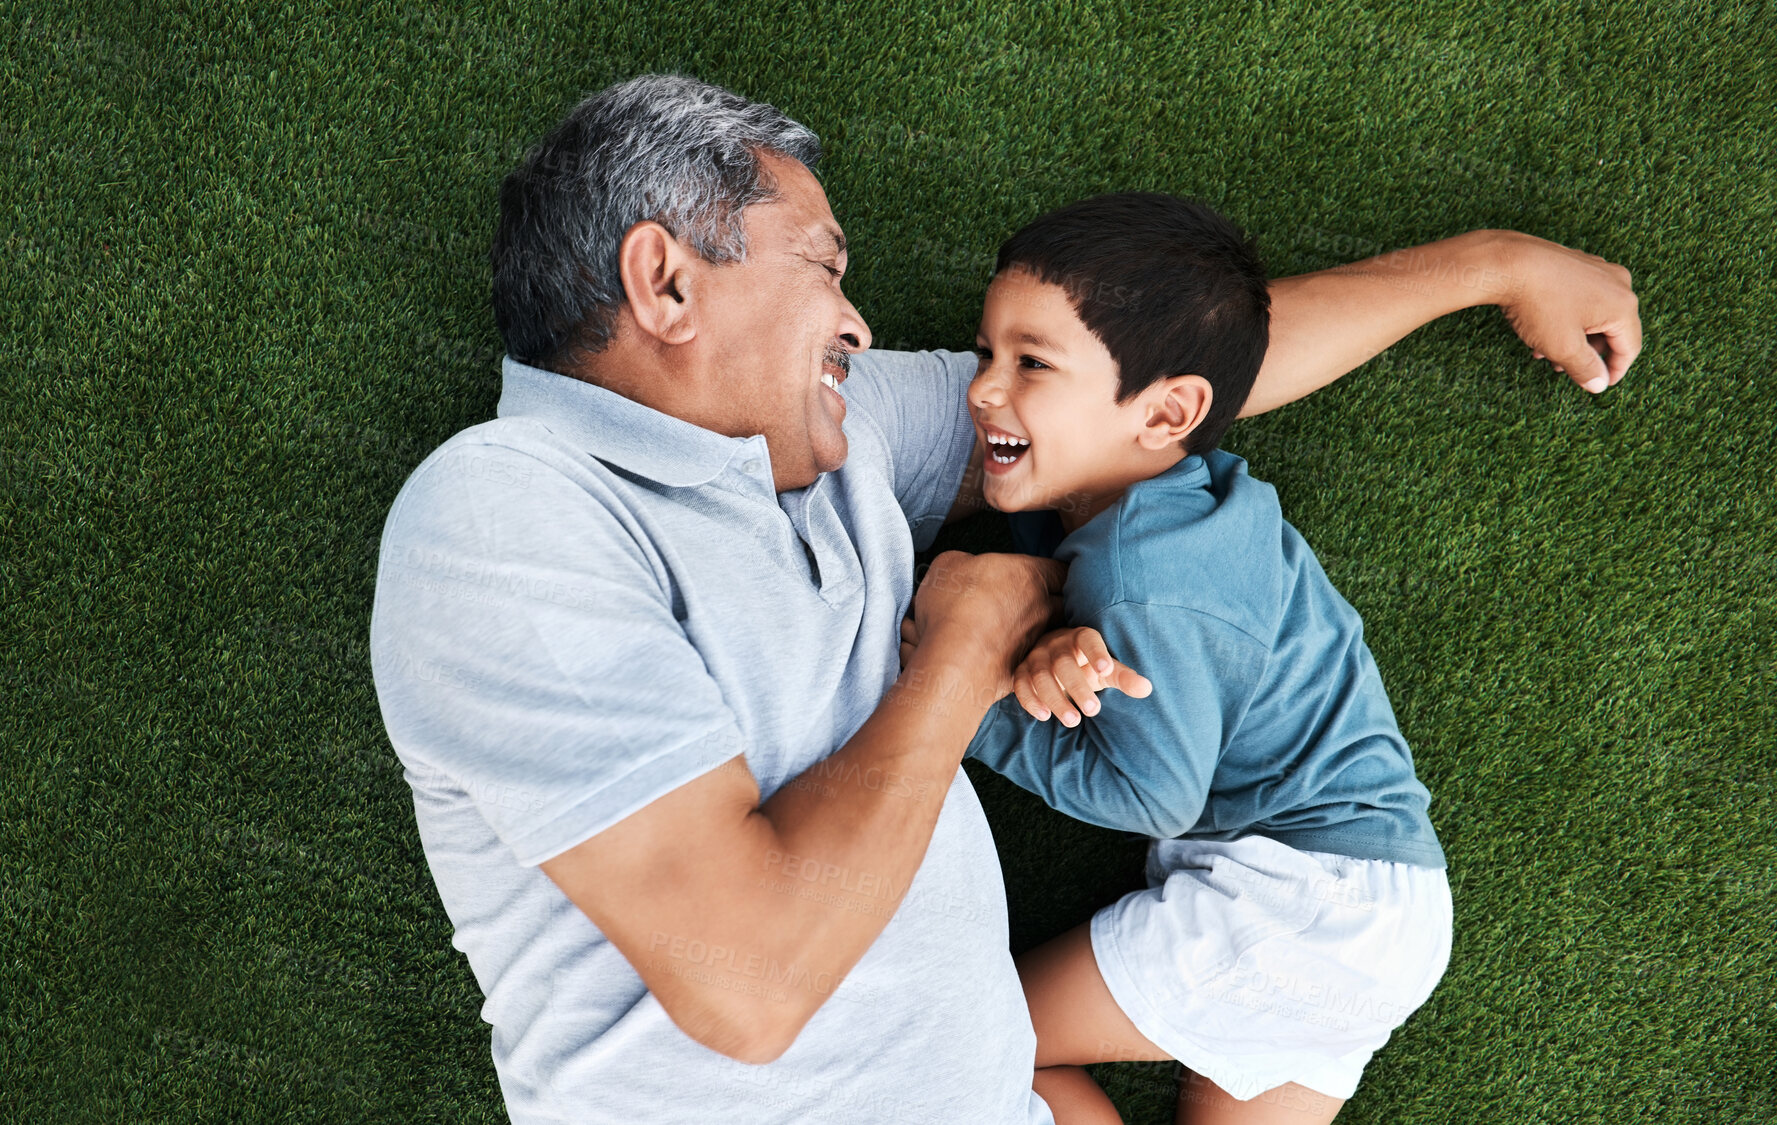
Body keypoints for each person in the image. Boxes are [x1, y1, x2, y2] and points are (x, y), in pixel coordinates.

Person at [368, 74, 1641, 1125]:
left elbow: (1136, 390)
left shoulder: (835, 433)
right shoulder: (509, 510)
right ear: (666, 283)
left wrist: (1488, 268)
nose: (859, 325)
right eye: (823, 263)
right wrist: (962, 654)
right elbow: (747, 986)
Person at [939, 191, 1447, 1124]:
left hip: (1289, 898)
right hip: (1387, 910)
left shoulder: (1141, 574)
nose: (980, 388)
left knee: (970, 1039)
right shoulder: (1197, 504)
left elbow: (1153, 795)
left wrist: (974, 705)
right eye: (985, 354)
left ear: (1167, 410)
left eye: (1030, 364)